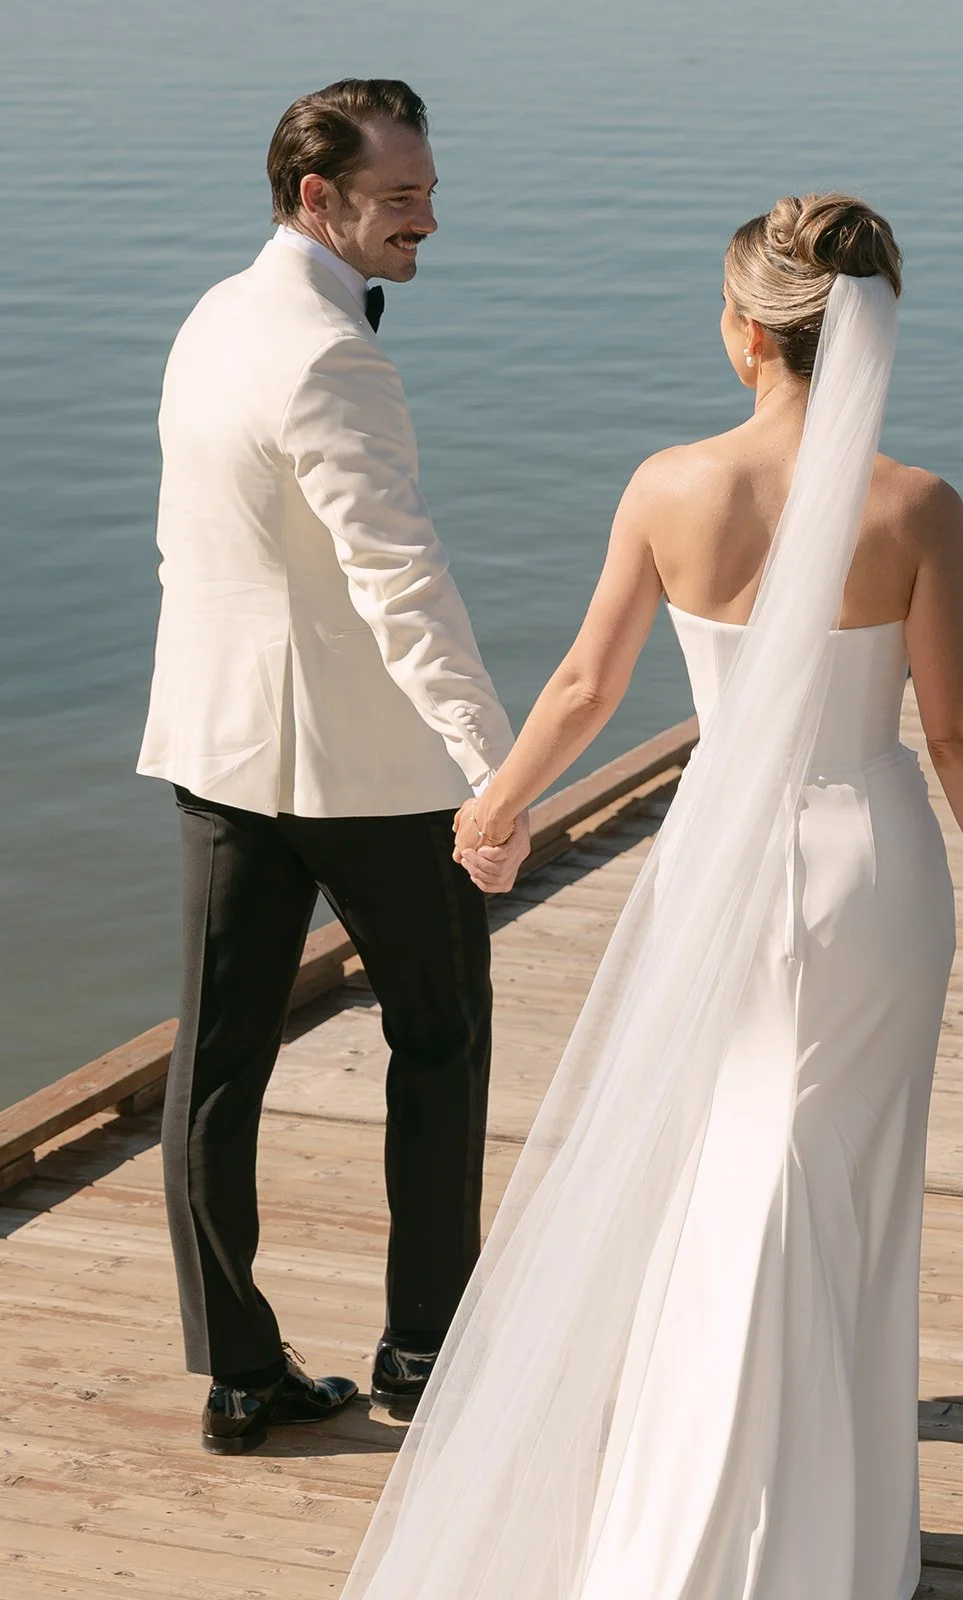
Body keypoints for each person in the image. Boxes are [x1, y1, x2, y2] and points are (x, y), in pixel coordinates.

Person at [342, 194, 963, 1600]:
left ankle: (708, 1508)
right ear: (873, 332)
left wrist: (498, 809)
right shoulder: (915, 508)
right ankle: (803, 1536)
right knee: (830, 1180)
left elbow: (586, 687)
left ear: (746, 334)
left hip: (717, 862)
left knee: (736, 1165)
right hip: (869, 870)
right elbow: (958, 737)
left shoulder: (669, 486)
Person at [137, 79, 529, 1456]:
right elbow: (399, 582)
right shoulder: (329, 354)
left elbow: (198, 542)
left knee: (221, 1062)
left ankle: (240, 1372)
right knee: (438, 1039)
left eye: (426, 188)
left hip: (216, 746)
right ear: (320, 197)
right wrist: (497, 769)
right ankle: (423, 1353)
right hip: (364, 774)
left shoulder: (212, 315)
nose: (428, 217)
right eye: (400, 197)